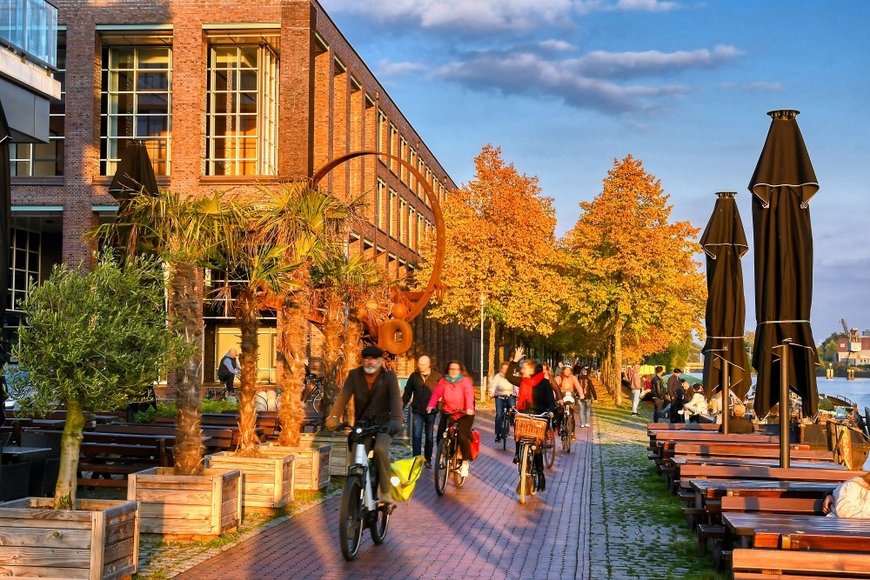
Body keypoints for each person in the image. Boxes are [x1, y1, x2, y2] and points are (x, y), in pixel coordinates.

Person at [326, 346, 404, 502]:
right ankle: (355, 495)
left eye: (374, 359)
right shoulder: (354, 375)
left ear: (381, 361)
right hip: (363, 424)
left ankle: (386, 493)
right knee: (356, 458)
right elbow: (343, 397)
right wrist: (333, 417)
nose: (370, 362)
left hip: (384, 424)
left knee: (380, 449)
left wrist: (396, 420)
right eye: (366, 359)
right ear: (362, 360)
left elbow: (396, 401)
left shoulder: (389, 377)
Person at [504, 347, 556, 492]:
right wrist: (514, 361)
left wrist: (551, 411)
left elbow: (551, 401)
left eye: (525, 367)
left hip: (539, 416)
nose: (523, 369)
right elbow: (508, 376)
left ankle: (540, 474)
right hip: (524, 413)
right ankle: (518, 455)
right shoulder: (523, 381)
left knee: (537, 446)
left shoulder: (544, 383)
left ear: (533, 369)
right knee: (519, 434)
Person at [427, 361, 475, 478]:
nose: (453, 371)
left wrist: (469, 408)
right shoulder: (444, 382)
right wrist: (430, 405)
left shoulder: (465, 381)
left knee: (462, 436)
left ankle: (464, 462)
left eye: (456, 369)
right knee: (440, 434)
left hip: (464, 414)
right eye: (451, 369)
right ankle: (444, 455)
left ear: (460, 371)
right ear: (448, 370)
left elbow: (469, 394)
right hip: (448, 411)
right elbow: (436, 394)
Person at [402, 355, 441, 468]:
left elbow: (441, 394)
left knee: (429, 436)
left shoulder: (437, 377)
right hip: (417, 411)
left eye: (423, 364)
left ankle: (428, 459)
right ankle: (416, 460)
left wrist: (439, 407)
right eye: (419, 364)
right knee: (416, 435)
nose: (421, 366)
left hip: (431, 412)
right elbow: (407, 393)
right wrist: (401, 407)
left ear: (429, 364)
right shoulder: (414, 376)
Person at [489, 361, 517, 443]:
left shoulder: (512, 376)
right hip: (499, 396)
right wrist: (491, 393)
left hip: (510, 395)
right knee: (499, 415)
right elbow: (493, 386)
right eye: (503, 368)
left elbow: (516, 386)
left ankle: (511, 421)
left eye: (506, 369)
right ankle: (498, 434)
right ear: (501, 369)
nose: (505, 370)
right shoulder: (498, 376)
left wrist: (517, 394)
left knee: (513, 410)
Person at [554, 366, 581, 438]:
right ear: (563, 370)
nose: (567, 372)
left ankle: (572, 432)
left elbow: (578, 386)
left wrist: (581, 395)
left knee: (571, 414)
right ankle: (558, 427)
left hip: (571, 397)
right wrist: (554, 395)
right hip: (561, 397)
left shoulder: (573, 378)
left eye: (569, 370)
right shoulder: (559, 377)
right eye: (566, 370)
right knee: (560, 412)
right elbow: (555, 387)